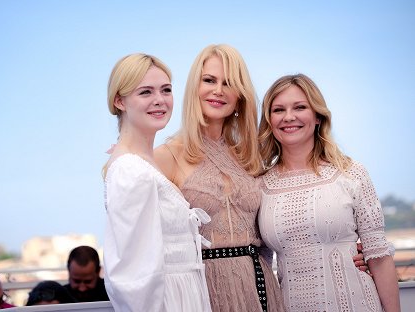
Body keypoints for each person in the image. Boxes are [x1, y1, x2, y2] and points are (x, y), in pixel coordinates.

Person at [155, 44, 285, 312]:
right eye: (209, 80)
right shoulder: (166, 156)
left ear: (240, 96)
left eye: (228, 83)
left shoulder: (249, 157)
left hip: (261, 286)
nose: (218, 90)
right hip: (204, 290)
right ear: (194, 87)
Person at [257, 73, 400, 312]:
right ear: (269, 120)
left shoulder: (351, 173)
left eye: (300, 107)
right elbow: (258, 261)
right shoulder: (259, 186)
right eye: (278, 110)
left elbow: (379, 258)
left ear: (317, 117)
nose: (289, 117)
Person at [103, 53, 212, 311]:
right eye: (145, 92)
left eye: (166, 90)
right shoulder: (131, 170)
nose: (160, 100)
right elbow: (132, 276)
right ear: (119, 100)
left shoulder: (145, 163)